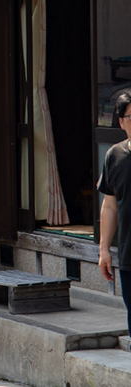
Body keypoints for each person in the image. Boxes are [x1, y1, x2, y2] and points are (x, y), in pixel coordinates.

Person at [99, 91, 131, 332]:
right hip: (130, 255)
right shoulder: (115, 156)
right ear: (121, 122)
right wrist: (104, 250)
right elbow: (109, 206)